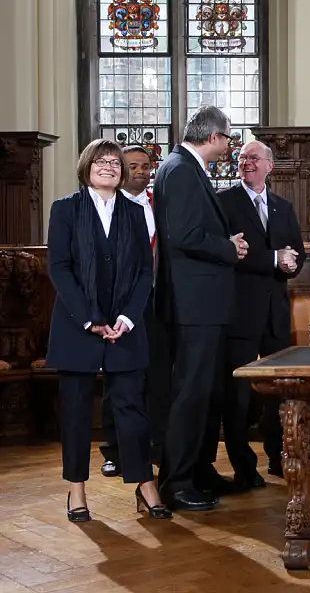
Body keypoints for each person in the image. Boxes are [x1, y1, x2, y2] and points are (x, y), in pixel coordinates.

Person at [46, 139, 171, 521]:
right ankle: (76, 491)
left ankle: (144, 484)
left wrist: (128, 318)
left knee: (132, 410)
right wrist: (89, 319)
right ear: (86, 167)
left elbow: (144, 272)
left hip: (125, 327)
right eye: (100, 161)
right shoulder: (65, 209)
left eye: (114, 163)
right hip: (76, 326)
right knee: (77, 411)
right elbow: (60, 268)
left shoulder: (135, 213)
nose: (108, 167)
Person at [153, 106, 249, 511]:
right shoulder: (179, 169)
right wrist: (229, 248)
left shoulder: (185, 168)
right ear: (213, 136)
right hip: (193, 304)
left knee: (205, 391)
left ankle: (198, 470)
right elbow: (185, 236)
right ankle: (175, 482)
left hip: (203, 303)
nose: (230, 146)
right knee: (190, 393)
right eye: (228, 138)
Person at [218, 140, 304, 488]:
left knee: (277, 393)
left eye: (254, 158)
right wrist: (273, 258)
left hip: (275, 313)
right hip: (239, 311)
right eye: (242, 158)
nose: (246, 162)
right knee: (236, 395)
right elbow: (228, 253)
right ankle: (243, 466)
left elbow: (295, 252)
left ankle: (278, 457)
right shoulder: (224, 202)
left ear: (270, 165)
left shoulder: (283, 206)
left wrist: (291, 263)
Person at [99, 145, 171, 476]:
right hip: (119, 306)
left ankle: (153, 443)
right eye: (133, 166)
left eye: (146, 165)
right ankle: (114, 449)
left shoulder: (161, 204)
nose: (140, 171)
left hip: (157, 302)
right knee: (120, 378)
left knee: (157, 375)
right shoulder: (106, 206)